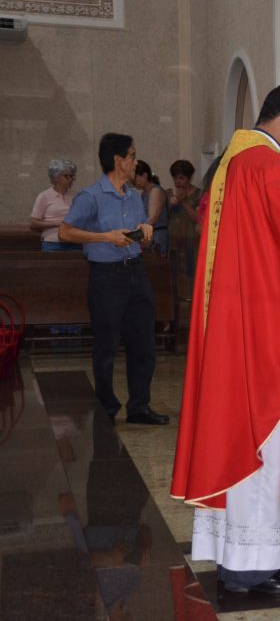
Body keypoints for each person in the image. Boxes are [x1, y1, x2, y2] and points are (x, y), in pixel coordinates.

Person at [170, 84, 280, 595]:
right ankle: (249, 566)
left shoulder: (234, 162)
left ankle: (266, 555)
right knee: (263, 446)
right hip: (262, 334)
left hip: (242, 320)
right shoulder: (264, 166)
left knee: (267, 448)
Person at [58, 133, 166, 425]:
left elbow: (138, 240)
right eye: (132, 155)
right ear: (118, 160)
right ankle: (106, 407)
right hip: (106, 277)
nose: (135, 161)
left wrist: (144, 232)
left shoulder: (133, 197)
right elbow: (65, 232)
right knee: (106, 346)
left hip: (136, 272)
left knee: (144, 343)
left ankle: (139, 407)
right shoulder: (90, 196)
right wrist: (105, 237)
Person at [167, 159, 202, 298]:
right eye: (175, 178)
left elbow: (198, 218)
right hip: (175, 243)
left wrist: (183, 203)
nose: (178, 182)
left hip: (192, 244)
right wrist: (171, 203)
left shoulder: (199, 194)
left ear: (189, 178)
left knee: (192, 276)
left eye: (181, 178)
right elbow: (163, 217)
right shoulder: (169, 193)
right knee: (174, 277)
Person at [30, 159, 81, 251]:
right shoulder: (44, 196)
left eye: (72, 176)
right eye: (66, 176)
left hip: (74, 241)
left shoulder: (76, 197)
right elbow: (34, 223)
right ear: (56, 177)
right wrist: (57, 223)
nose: (70, 180)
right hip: (52, 243)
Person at [132, 161, 169, 254]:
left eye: (135, 177)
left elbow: (153, 218)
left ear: (144, 175)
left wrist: (135, 235)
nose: (133, 181)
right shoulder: (145, 193)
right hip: (149, 235)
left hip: (156, 236)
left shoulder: (155, 191)